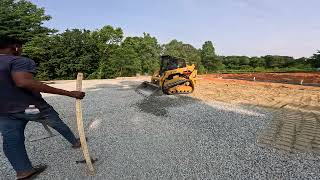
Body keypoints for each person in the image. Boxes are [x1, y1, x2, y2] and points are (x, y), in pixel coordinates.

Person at [0, 36, 85, 180]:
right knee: (56, 122)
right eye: (20, 47)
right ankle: (76, 142)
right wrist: (69, 93)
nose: (21, 50)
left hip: (4, 111)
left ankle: (24, 171)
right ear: (14, 47)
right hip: (31, 107)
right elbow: (23, 82)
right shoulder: (19, 60)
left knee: (11, 140)